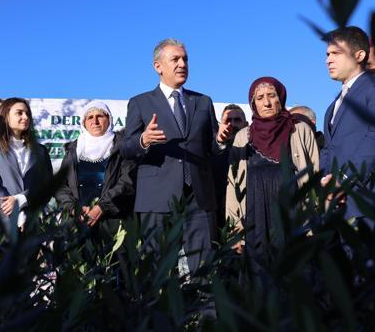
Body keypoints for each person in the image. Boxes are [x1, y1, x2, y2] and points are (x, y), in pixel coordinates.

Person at [121, 38, 232, 309]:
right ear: (158, 66)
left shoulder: (203, 102)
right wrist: (144, 141)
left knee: (204, 269)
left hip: (199, 198)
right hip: (157, 200)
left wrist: (220, 140)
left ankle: (206, 322)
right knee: (157, 269)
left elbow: (212, 148)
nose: (183, 64)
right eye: (176, 60)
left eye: (185, 59)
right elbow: (125, 148)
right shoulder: (140, 103)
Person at [225, 77, 319, 271]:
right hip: (254, 212)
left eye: (271, 95)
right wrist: (234, 229)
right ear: (253, 104)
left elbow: (315, 173)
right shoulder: (244, 136)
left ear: (281, 98)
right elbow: (233, 184)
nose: (266, 102)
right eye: (259, 98)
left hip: (292, 209)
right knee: (259, 272)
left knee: (297, 267)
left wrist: (314, 216)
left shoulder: (299, 130)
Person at [320, 26, 375, 222]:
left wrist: (345, 179)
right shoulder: (333, 105)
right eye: (327, 54)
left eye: (336, 53)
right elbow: (329, 148)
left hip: (370, 199)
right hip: (339, 205)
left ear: (359, 55)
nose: (328, 60)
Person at [55, 101, 136, 278]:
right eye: (90, 117)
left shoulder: (123, 146)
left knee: (117, 277)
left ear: (109, 120)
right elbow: (61, 186)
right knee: (78, 278)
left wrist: (101, 207)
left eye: (100, 115)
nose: (95, 121)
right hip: (79, 222)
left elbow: (127, 182)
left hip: (114, 222)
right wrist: (74, 208)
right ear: (83, 123)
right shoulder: (73, 149)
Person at [0, 98, 53, 243]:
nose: (25, 117)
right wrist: (14, 210)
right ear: (6, 116)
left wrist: (21, 200)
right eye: (19, 113)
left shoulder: (40, 151)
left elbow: (46, 185)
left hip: (31, 228)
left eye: (27, 114)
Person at [212, 104, 248, 229]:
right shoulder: (212, 151)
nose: (232, 124)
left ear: (246, 124)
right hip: (217, 218)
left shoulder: (255, 151)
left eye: (237, 120)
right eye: (228, 120)